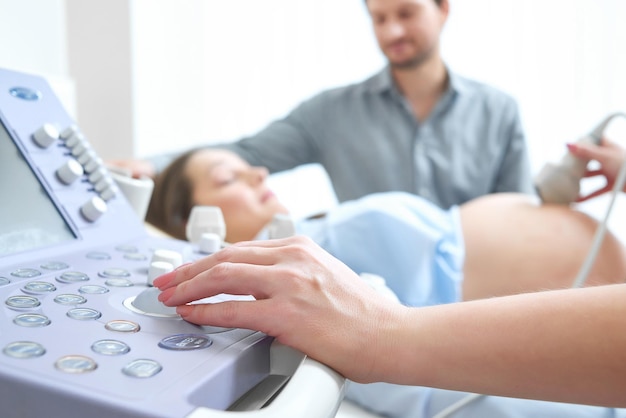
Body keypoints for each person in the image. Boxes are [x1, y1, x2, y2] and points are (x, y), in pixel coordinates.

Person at [151, 139, 626, 412]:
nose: (258, 172)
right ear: (191, 223)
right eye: (228, 178)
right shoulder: (298, 292)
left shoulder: (315, 249)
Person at [110, 0, 535, 209]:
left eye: (405, 13)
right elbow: (249, 154)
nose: (392, 32)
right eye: (379, 18)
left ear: (442, 10)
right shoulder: (330, 113)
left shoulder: (498, 111)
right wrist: (155, 166)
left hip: (474, 299)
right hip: (373, 306)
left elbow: (519, 217)